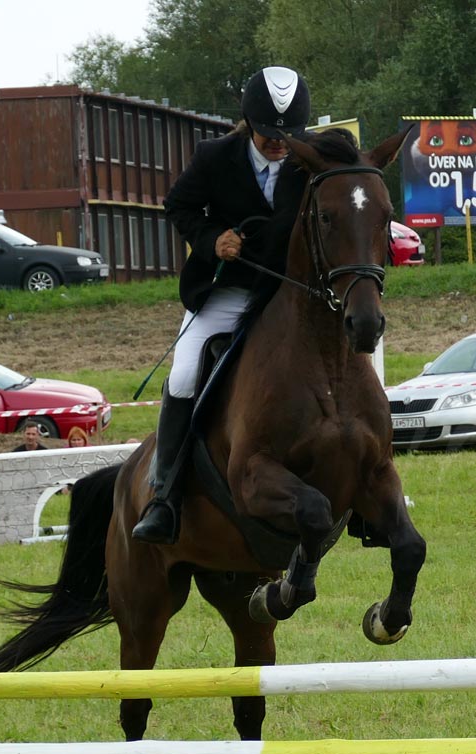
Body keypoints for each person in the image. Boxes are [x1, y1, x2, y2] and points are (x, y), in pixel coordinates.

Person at [133, 65, 313, 545]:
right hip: (229, 291)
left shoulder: (309, 157)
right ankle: (164, 494)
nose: (279, 143)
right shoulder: (215, 157)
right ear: (249, 122)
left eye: (288, 134)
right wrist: (213, 239)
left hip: (289, 295)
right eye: (269, 133)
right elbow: (179, 206)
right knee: (184, 375)